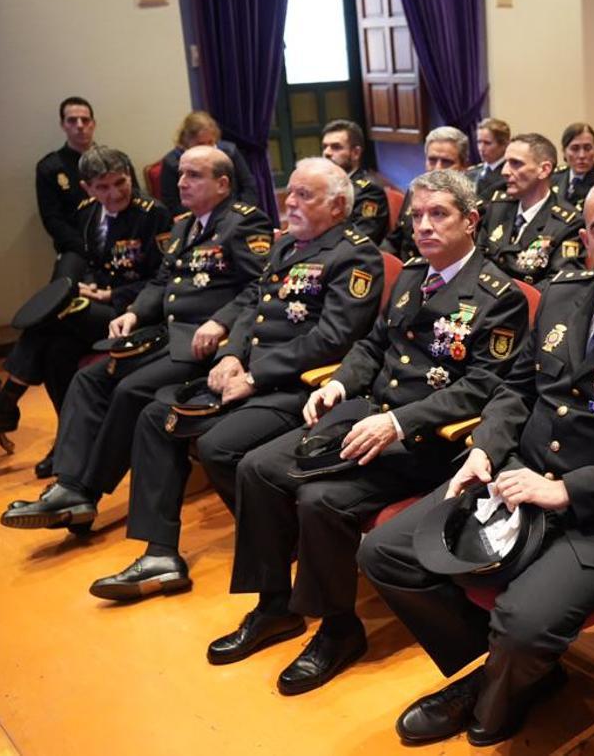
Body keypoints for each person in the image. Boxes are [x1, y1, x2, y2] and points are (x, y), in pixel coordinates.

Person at [359, 176, 594, 747]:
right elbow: (516, 389)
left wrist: (569, 490)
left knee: (523, 623)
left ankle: (506, 684)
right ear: (584, 238)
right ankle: (496, 666)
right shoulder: (562, 293)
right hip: (515, 479)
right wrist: (484, 448)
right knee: (384, 554)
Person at [208, 168, 530, 694]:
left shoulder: (500, 295)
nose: (424, 226)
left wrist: (401, 421)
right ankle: (273, 606)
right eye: (418, 215)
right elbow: (373, 345)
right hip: (365, 414)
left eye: (439, 215)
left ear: (471, 221)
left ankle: (339, 629)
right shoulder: (411, 274)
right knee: (255, 468)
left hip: (426, 441)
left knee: (320, 500)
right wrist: (337, 384)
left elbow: (483, 388)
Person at [87, 158, 383, 600]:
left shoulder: (354, 254)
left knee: (217, 446)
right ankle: (161, 553)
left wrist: (255, 375)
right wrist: (228, 356)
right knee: (155, 417)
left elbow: (333, 338)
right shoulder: (288, 247)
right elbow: (252, 308)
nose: (291, 202)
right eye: (291, 191)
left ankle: (280, 541)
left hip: (297, 387)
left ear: (338, 206)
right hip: (246, 375)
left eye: (306, 195)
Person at [1, 146, 272, 532]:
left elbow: (259, 286)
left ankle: (84, 493)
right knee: (89, 380)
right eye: (181, 174)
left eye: (194, 175)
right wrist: (133, 312)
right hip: (166, 333)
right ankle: (69, 486)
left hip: (203, 343)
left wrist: (220, 322)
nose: (181, 182)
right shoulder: (183, 225)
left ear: (223, 184)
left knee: (130, 390)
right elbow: (162, 282)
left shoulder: (243, 223)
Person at [0, 146, 171, 476]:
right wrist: (89, 286)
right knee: (55, 353)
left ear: (129, 176)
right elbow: (91, 262)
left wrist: (111, 294)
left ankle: (7, 399)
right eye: (103, 187)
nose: (114, 193)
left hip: (135, 314)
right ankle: (68, 441)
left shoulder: (153, 214)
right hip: (97, 310)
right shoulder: (88, 213)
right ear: (87, 189)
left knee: (61, 316)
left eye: (120, 182)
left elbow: (161, 278)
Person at [478, 132, 586, 284]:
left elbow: (560, 287)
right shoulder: (497, 208)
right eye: (506, 163)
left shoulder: (567, 224)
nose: (505, 171)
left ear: (544, 170)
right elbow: (477, 261)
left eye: (516, 163)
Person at [383, 126, 470, 260]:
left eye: (446, 162)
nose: (437, 168)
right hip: (409, 272)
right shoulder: (415, 192)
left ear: (464, 167)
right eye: (432, 160)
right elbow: (396, 239)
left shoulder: (471, 204)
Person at [36, 97, 96, 278]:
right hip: (75, 247)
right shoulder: (50, 167)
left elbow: (134, 200)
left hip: (118, 241)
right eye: (72, 120)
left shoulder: (115, 161)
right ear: (63, 125)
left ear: (93, 124)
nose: (79, 125)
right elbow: (52, 220)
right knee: (64, 289)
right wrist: (85, 248)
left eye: (85, 120)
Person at [158, 111, 258, 216]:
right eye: (200, 144)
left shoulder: (230, 152)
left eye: (211, 142)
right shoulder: (172, 162)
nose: (207, 148)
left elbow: (249, 186)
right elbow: (171, 204)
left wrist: (239, 213)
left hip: (234, 212)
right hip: (195, 218)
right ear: (186, 142)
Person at [321, 118, 390, 244]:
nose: (327, 153)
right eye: (325, 147)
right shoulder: (322, 185)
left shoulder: (370, 191)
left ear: (356, 153)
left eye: (336, 147)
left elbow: (361, 237)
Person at [551, 122, 594, 208]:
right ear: (564, 151)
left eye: (587, 148)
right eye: (575, 148)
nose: (582, 155)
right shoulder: (553, 178)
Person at [467, 117, 510, 200]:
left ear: (504, 145)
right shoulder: (471, 173)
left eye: (487, 143)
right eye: (479, 142)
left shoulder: (508, 175)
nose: (481, 148)